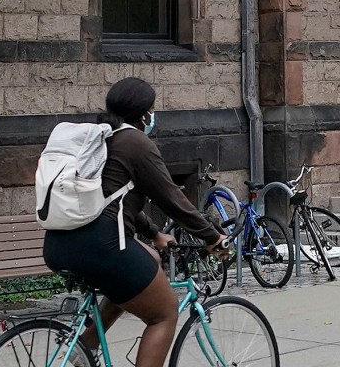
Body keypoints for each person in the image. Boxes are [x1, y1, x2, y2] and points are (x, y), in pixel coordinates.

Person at [41, 78, 224, 367]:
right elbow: (170, 197)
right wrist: (212, 237)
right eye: (152, 110)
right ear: (143, 114)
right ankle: (84, 348)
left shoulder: (100, 139)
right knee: (164, 313)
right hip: (102, 245)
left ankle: (82, 350)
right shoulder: (136, 141)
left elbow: (108, 199)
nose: (153, 117)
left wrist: (155, 234)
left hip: (58, 245)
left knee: (143, 266)